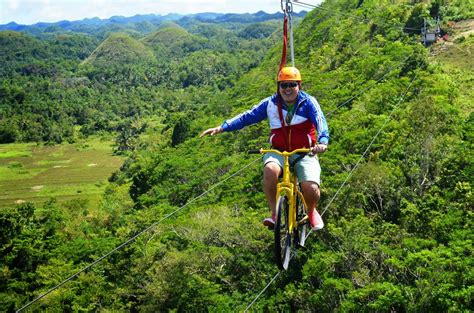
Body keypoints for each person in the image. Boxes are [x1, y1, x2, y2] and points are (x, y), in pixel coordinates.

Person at [200, 66, 329, 231]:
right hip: (279, 151)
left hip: (305, 152)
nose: (288, 89)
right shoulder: (270, 103)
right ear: (278, 87)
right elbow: (248, 116)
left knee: (310, 188)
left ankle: (311, 211)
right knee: (270, 170)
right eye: (284, 85)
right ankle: (275, 213)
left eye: (292, 85)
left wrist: (323, 141)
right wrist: (222, 127)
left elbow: (321, 121)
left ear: (299, 85)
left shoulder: (308, 102)